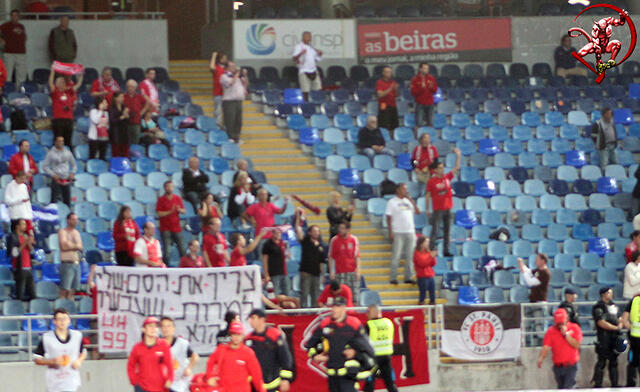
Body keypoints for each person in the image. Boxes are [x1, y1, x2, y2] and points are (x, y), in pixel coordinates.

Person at [304, 296, 376, 392]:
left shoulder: (353, 324)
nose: (334, 309)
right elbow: (310, 345)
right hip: (332, 376)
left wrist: (355, 353)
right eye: (333, 307)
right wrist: (314, 356)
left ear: (344, 308)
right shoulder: (325, 324)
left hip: (348, 376)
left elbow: (368, 349)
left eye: (337, 307)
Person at [33, 308, 87, 392]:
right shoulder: (47, 338)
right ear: (54, 321)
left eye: (65, 318)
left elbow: (83, 351)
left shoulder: (77, 336)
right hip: (54, 381)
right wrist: (52, 361)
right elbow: (37, 359)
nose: (63, 321)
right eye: (59, 319)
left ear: (69, 321)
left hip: (71, 379)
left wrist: (79, 361)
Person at [206, 322, 266, 392]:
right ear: (230, 335)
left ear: (243, 336)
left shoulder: (248, 353)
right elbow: (210, 362)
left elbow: (256, 375)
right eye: (234, 334)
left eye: (239, 334)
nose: (236, 337)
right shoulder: (221, 349)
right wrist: (209, 377)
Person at [246, 308, 295, 392]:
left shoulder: (275, 335)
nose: (250, 321)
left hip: (273, 384)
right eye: (250, 318)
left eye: (253, 318)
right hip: (254, 385)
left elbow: (285, 358)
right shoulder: (248, 338)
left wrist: (285, 379)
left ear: (262, 319)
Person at [425, 148, 461, 257]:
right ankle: (430, 249)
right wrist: (427, 208)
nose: (442, 169)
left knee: (447, 231)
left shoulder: (446, 178)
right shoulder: (432, 181)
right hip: (438, 209)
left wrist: (458, 156)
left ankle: (446, 250)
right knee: (435, 230)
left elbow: (456, 168)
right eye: (440, 168)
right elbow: (428, 195)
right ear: (435, 170)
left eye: (442, 167)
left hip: (448, 207)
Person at [537, 308, 583, 389]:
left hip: (571, 365)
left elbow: (576, 345)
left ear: (567, 318)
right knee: (561, 388)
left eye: (561, 322)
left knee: (568, 387)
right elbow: (546, 347)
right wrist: (541, 358)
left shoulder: (574, 328)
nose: (560, 325)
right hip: (558, 367)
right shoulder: (551, 331)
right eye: (558, 323)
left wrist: (565, 335)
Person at [127, 316, 174, 392]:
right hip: (143, 387)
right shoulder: (137, 348)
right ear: (144, 329)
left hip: (161, 387)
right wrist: (134, 382)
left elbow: (169, 364)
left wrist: (170, 379)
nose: (153, 329)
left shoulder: (164, 345)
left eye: (156, 326)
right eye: (150, 326)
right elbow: (130, 366)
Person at [386, 183, 419, 285]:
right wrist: (390, 231)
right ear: (398, 190)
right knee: (396, 255)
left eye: (406, 189)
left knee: (410, 256)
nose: (406, 191)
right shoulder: (392, 202)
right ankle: (393, 277)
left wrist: (412, 201)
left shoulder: (408, 201)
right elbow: (389, 218)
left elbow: (417, 211)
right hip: (398, 231)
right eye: (404, 189)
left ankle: (408, 276)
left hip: (410, 231)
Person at [592, 287, 622, 388]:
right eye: (609, 293)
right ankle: (598, 384)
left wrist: (620, 324)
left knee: (614, 361)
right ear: (603, 294)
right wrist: (615, 327)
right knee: (602, 361)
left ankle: (615, 384)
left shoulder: (613, 306)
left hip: (615, 337)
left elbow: (619, 318)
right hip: (604, 337)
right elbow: (601, 322)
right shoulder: (599, 307)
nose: (611, 294)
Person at [295, 209, 326, 308]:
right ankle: (303, 312)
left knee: (315, 295)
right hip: (306, 273)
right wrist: (299, 218)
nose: (317, 233)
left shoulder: (321, 246)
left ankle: (314, 313)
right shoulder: (306, 242)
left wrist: (323, 274)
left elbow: (322, 261)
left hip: (316, 274)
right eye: (314, 231)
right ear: (310, 233)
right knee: (304, 294)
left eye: (318, 231)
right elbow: (298, 228)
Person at [363, 305, 398, 392]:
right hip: (387, 356)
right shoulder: (389, 322)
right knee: (390, 383)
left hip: (373, 358)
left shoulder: (369, 325)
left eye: (368, 312)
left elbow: (363, 342)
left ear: (370, 313)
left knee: (370, 383)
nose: (366, 315)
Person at [160, 317, 199, 392]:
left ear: (173, 328)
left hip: (181, 380)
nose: (166, 329)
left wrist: (189, 368)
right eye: (163, 326)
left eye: (168, 326)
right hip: (166, 381)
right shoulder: (157, 344)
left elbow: (195, 356)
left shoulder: (182, 343)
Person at [48, 65, 82, 149]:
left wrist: (81, 75)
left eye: (63, 82)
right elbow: (50, 83)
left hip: (69, 119)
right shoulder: (55, 92)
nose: (62, 83)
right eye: (60, 82)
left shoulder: (69, 92)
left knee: (68, 141)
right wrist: (52, 71)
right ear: (57, 84)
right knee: (58, 140)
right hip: (58, 119)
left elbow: (78, 85)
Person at [329, 222, 361, 305]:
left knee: (355, 295)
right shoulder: (335, 240)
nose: (340, 230)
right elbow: (331, 257)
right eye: (339, 228)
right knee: (341, 296)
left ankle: (355, 313)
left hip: (352, 271)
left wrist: (358, 270)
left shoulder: (354, 239)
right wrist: (332, 271)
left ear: (347, 229)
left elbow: (357, 256)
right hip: (340, 272)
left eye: (342, 228)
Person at [156, 181, 186, 265]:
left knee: (182, 250)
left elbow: (184, 211)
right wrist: (170, 211)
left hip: (177, 228)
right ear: (165, 188)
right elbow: (159, 214)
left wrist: (179, 210)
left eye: (172, 186)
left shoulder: (177, 198)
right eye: (168, 186)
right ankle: (165, 270)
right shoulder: (161, 200)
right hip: (165, 228)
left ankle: (185, 268)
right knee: (167, 252)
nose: (170, 188)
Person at [42, 136, 77, 206]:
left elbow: (74, 165)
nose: (61, 143)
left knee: (67, 200)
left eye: (62, 141)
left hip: (66, 178)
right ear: (55, 142)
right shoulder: (51, 153)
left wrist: (72, 173)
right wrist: (53, 175)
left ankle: (68, 214)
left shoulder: (68, 152)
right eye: (59, 141)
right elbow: (45, 166)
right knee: (54, 201)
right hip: (56, 179)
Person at [220, 61, 249, 143]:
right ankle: (230, 137)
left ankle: (237, 137)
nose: (234, 68)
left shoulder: (238, 77)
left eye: (234, 66)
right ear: (227, 68)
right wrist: (236, 74)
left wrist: (245, 75)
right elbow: (230, 83)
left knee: (238, 120)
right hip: (229, 101)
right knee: (230, 120)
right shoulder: (224, 76)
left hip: (238, 100)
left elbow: (246, 84)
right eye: (232, 66)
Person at [58, 213, 83, 299]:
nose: (75, 221)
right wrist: (74, 245)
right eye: (73, 219)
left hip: (76, 264)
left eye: (76, 219)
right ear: (68, 220)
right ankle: (61, 308)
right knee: (65, 290)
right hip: (67, 263)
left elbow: (80, 247)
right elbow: (64, 246)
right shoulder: (62, 231)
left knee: (73, 290)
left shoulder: (76, 232)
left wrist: (70, 244)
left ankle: (70, 308)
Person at [292, 31, 323, 101]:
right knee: (305, 90)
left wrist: (320, 54)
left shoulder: (311, 47)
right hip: (304, 71)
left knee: (318, 88)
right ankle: (306, 105)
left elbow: (316, 59)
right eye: (308, 37)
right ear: (303, 37)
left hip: (313, 70)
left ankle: (316, 104)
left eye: (310, 37)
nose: (309, 39)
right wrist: (301, 53)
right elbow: (294, 58)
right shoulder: (299, 46)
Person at [10, 218, 36, 301]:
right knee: (20, 293)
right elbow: (14, 253)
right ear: (17, 226)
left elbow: (31, 251)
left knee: (33, 294)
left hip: (28, 268)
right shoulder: (13, 237)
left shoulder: (25, 236)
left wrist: (29, 243)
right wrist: (25, 242)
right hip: (19, 268)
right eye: (23, 224)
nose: (25, 226)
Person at [0, 10, 27, 84]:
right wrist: (1, 40)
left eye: (16, 15)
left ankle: (20, 91)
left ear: (18, 17)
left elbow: (24, 37)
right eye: (12, 15)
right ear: (11, 16)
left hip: (21, 53)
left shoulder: (21, 26)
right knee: (7, 74)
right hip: (9, 53)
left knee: (21, 74)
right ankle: (7, 91)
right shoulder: (5, 25)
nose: (14, 17)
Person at [262, 229, 290, 296]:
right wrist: (266, 274)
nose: (278, 234)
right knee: (275, 293)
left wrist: (287, 254)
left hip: (284, 271)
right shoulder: (267, 244)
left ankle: (286, 306)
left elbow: (286, 256)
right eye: (276, 233)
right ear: (272, 233)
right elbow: (264, 259)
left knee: (286, 292)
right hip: (273, 273)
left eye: (279, 233)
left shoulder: (283, 243)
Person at [410, 63, 438, 128]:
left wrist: (431, 87)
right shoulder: (415, 79)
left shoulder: (431, 78)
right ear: (420, 69)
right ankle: (417, 137)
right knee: (418, 124)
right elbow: (413, 93)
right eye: (425, 68)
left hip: (430, 103)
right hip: (420, 104)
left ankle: (430, 137)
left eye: (427, 68)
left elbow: (435, 90)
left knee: (430, 123)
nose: (426, 70)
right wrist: (421, 88)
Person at [622, 291, 640, 386]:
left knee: (633, 361)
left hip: (634, 336)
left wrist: (632, 328)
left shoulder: (634, 301)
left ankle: (630, 384)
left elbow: (624, 319)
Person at [123, 79, 148, 146]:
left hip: (136, 123)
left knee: (135, 142)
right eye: (128, 86)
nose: (130, 88)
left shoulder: (139, 97)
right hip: (125, 124)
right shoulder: (122, 97)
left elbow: (148, 103)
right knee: (126, 142)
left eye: (132, 87)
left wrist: (142, 112)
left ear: (135, 88)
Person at [414, 236, 437, 305]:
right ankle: (421, 307)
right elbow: (422, 263)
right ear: (421, 243)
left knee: (432, 293)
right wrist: (430, 256)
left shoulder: (427, 252)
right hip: (422, 276)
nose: (427, 244)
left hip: (430, 275)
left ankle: (432, 304)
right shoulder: (417, 253)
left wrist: (432, 257)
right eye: (426, 242)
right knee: (423, 293)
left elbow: (433, 263)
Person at [376, 66, 399, 131]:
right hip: (383, 104)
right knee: (384, 124)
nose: (389, 74)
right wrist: (390, 89)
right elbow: (380, 95)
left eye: (390, 72)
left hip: (392, 104)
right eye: (387, 72)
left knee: (394, 125)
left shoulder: (393, 82)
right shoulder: (379, 82)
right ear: (383, 73)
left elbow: (396, 95)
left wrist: (396, 89)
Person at [209, 51, 228, 128]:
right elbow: (211, 67)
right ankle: (217, 127)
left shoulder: (226, 69)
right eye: (224, 58)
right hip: (218, 93)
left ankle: (225, 126)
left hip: (227, 94)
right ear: (220, 59)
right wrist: (213, 56)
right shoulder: (216, 68)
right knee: (218, 111)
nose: (226, 59)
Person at [109, 91, 130, 157]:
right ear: (116, 98)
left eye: (123, 97)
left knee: (125, 153)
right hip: (116, 133)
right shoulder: (112, 109)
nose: (122, 98)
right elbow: (112, 121)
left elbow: (128, 120)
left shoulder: (124, 107)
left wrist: (127, 116)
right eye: (121, 97)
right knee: (116, 153)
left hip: (124, 133)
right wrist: (122, 117)